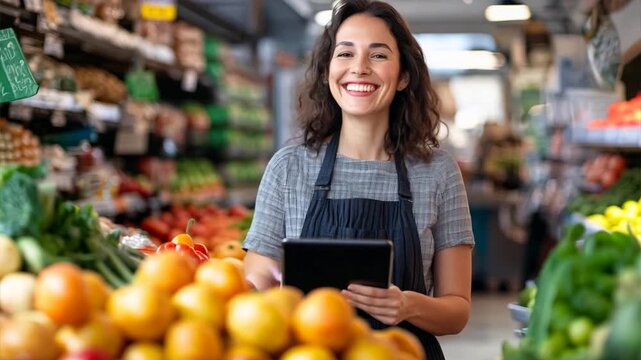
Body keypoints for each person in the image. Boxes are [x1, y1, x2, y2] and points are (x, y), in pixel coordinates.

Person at [243, 0, 474, 358]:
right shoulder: (288, 167)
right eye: (345, 54)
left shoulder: (438, 172)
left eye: (378, 56)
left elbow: (457, 310)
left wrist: (408, 306)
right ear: (326, 71)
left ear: (404, 76)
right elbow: (255, 287)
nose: (359, 69)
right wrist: (277, 293)